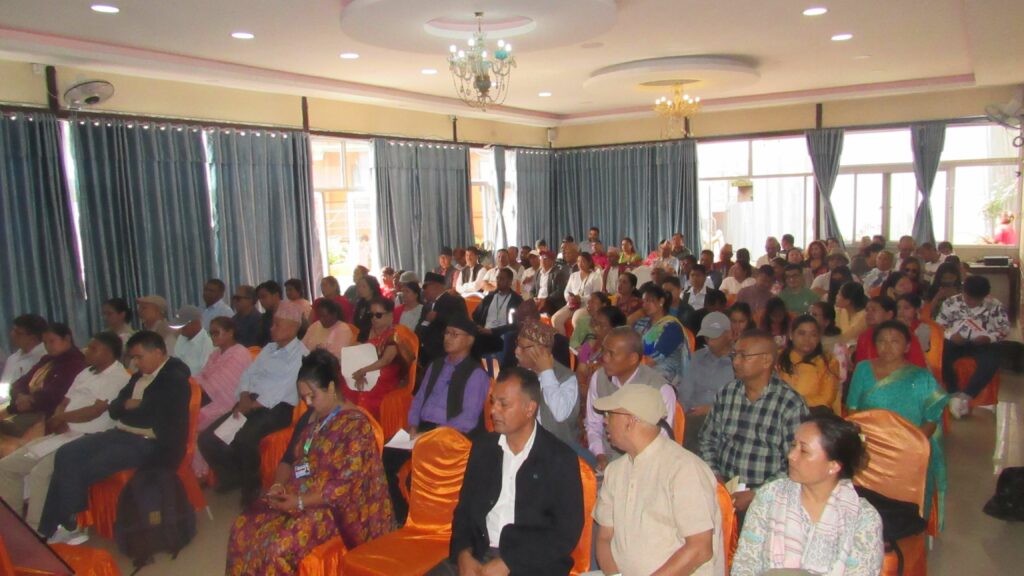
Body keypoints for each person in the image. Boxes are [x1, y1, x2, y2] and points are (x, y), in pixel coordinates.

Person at [226, 350, 394, 575]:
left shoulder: (356, 426)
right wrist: (278, 487)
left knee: (277, 548)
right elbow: (290, 459)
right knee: (242, 527)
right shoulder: (311, 416)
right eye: (304, 397)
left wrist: (300, 502)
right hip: (300, 492)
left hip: (338, 509)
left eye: (312, 396)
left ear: (332, 388)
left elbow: (344, 488)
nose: (307, 403)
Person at [39, 331, 191, 544]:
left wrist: (130, 407)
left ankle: (70, 525)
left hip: (150, 443)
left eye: (139, 357)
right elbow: (115, 408)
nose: (135, 363)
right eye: (133, 358)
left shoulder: (173, 379)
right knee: (66, 454)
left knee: (81, 467)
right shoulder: (140, 376)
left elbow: (147, 417)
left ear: (158, 352)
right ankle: (55, 525)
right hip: (120, 433)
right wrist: (130, 406)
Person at [429, 368, 584, 576]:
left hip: (532, 562)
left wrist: (510, 562)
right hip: (479, 553)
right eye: (493, 402)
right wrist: (463, 554)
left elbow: (565, 533)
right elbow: (464, 510)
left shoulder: (558, 457)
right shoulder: (484, 448)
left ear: (530, 409)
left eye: (504, 404)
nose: (493, 411)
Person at [0, 332, 128, 533]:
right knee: (7, 467)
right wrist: (59, 416)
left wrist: (62, 418)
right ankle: (15, 527)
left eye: (93, 348)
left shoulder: (118, 377)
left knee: (40, 471)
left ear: (108, 353)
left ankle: (37, 530)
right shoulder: (86, 372)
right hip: (63, 434)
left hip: (88, 438)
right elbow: (65, 400)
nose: (87, 351)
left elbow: (94, 411)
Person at [592, 383, 722, 576]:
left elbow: (699, 549)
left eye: (609, 415)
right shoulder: (615, 471)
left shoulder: (684, 469)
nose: (604, 421)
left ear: (630, 420)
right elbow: (604, 538)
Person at [732, 412, 884, 576]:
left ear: (833, 466)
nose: (791, 456)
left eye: (803, 450)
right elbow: (744, 565)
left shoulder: (863, 518)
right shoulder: (770, 496)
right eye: (793, 445)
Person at [198, 301, 308, 506]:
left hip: (276, 409)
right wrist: (244, 396)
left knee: (244, 438)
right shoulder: (269, 349)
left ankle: (252, 487)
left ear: (293, 327)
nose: (271, 328)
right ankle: (232, 477)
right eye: (273, 324)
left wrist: (251, 405)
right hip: (250, 402)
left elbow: (282, 389)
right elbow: (248, 374)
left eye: (277, 325)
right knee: (208, 439)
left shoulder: (301, 355)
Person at [847, 320, 949, 528]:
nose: (887, 346)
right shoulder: (863, 369)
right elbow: (853, 409)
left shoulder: (921, 377)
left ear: (907, 346)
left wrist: (911, 446)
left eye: (895, 341)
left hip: (908, 449)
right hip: (869, 447)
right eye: (882, 341)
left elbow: (931, 419)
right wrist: (862, 443)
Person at [386, 316, 489, 522]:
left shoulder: (476, 373)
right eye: (446, 333)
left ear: (469, 340)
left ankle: (423, 518)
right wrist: (413, 424)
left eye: (454, 334)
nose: (448, 338)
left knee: (419, 466)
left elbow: (468, 420)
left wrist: (432, 435)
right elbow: (419, 398)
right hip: (423, 429)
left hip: (453, 434)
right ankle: (402, 515)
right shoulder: (436, 365)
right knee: (387, 457)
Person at [699, 330, 808, 513]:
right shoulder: (727, 393)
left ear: (766, 361)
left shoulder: (790, 404)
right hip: (723, 487)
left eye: (743, 356)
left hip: (768, 498)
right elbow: (707, 440)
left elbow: (795, 463)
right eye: (734, 355)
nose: (735, 362)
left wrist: (757, 494)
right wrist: (716, 477)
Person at [584, 327, 676, 472]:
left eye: (611, 353)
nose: (604, 358)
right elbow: (593, 424)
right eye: (604, 351)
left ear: (633, 358)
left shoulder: (659, 390)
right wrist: (600, 454)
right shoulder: (599, 378)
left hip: (644, 467)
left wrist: (626, 470)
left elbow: (662, 443)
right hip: (605, 459)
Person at [1, 324, 87, 456]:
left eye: (52, 341)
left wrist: (31, 401)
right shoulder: (47, 359)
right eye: (45, 342)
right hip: (22, 406)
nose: (48, 346)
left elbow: (55, 394)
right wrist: (20, 395)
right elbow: (20, 383)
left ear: (67, 339)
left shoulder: (75, 363)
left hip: (43, 412)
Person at [936, 275, 1010, 417]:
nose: (971, 302)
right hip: (956, 342)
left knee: (992, 359)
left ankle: (966, 395)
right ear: (963, 292)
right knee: (942, 353)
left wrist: (989, 338)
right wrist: (951, 335)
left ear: (985, 296)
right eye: (968, 298)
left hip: (982, 344)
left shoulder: (995, 306)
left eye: (976, 300)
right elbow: (939, 325)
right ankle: (953, 392)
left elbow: (1005, 329)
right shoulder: (951, 303)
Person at [192, 316, 253, 477]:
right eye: (211, 333)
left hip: (234, 403)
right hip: (215, 400)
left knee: (198, 424)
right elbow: (202, 375)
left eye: (216, 333)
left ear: (230, 333)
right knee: (188, 417)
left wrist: (201, 387)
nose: (212, 337)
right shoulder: (216, 354)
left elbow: (220, 384)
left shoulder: (239, 353)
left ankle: (209, 473)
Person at [514, 321, 585, 457]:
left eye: (523, 347)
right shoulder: (519, 374)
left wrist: (546, 372)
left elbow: (560, 414)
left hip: (560, 449)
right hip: (525, 445)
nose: (516, 351)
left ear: (543, 351)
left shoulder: (566, 378)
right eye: (517, 345)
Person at [678, 312, 735, 453]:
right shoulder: (697, 358)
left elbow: (741, 399)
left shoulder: (739, 362)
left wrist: (712, 409)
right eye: (707, 337)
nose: (710, 341)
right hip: (692, 416)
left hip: (723, 418)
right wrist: (681, 415)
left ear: (729, 334)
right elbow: (685, 392)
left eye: (714, 337)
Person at [346, 297, 407, 419]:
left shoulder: (395, 335)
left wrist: (363, 371)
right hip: (363, 371)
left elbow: (386, 361)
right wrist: (357, 370)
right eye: (371, 315)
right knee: (343, 387)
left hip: (385, 374)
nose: (373, 318)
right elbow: (353, 352)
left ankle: (367, 426)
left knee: (367, 391)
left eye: (378, 315)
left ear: (390, 315)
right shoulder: (367, 331)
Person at [777, 315, 841, 413]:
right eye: (802, 333)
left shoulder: (829, 362)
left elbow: (826, 399)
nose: (807, 339)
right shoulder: (777, 359)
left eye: (813, 335)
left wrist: (792, 403)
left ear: (819, 338)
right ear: (790, 335)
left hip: (816, 416)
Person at [633, 285, 689, 385]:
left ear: (661, 301)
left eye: (649, 301)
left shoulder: (672, 327)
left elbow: (653, 360)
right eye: (643, 301)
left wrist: (627, 365)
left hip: (662, 374)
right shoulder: (641, 323)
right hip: (638, 368)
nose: (645, 305)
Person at [853, 296, 927, 367]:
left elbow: (918, 366)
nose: (868, 313)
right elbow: (860, 368)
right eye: (867, 310)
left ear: (889, 314)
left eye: (874, 310)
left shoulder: (904, 335)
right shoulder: (864, 337)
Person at [415, 272, 469, 366]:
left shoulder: (454, 301)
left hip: (445, 352)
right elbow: (418, 330)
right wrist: (426, 321)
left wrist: (438, 317)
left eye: (425, 287)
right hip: (425, 354)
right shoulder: (427, 307)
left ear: (436, 286)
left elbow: (463, 324)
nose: (423, 291)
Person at [576, 305, 627, 399]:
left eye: (601, 325)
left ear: (615, 328)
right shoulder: (587, 347)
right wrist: (584, 388)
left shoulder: (620, 352)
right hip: (586, 392)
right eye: (595, 323)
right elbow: (581, 372)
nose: (596, 327)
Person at [471, 268, 523, 355]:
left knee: (476, 343)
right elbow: (476, 316)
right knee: (467, 339)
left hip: (501, 336)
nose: (498, 281)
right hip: (484, 333)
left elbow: (515, 325)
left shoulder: (516, 300)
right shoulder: (489, 297)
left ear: (510, 282)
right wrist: (479, 327)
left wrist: (492, 331)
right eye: (497, 278)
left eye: (502, 279)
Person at [551, 252, 604, 337]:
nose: (580, 264)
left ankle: (579, 346)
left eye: (583, 261)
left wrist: (581, 298)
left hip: (587, 305)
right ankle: (564, 344)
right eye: (578, 261)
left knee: (577, 319)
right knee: (555, 319)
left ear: (589, 262)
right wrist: (569, 298)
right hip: (572, 304)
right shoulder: (573, 275)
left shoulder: (596, 276)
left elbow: (596, 296)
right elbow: (566, 291)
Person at [0, 314, 48, 403]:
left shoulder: (45, 358)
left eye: (18, 333)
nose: (12, 334)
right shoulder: (12, 359)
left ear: (33, 337)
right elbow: (3, 390)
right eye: (13, 330)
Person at [168, 305, 214, 377]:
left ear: (195, 323)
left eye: (183, 326)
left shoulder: (207, 343)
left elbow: (205, 374)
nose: (180, 329)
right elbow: (175, 362)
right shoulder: (181, 338)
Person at [351, 275, 384, 342]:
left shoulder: (378, 305)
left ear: (372, 289)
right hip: (359, 339)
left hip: (373, 339)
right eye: (359, 286)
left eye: (364, 286)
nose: (360, 289)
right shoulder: (360, 303)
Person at [255, 281, 284, 347]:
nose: (261, 301)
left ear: (276, 295)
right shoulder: (263, 319)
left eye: (264, 297)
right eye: (259, 298)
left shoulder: (292, 315)